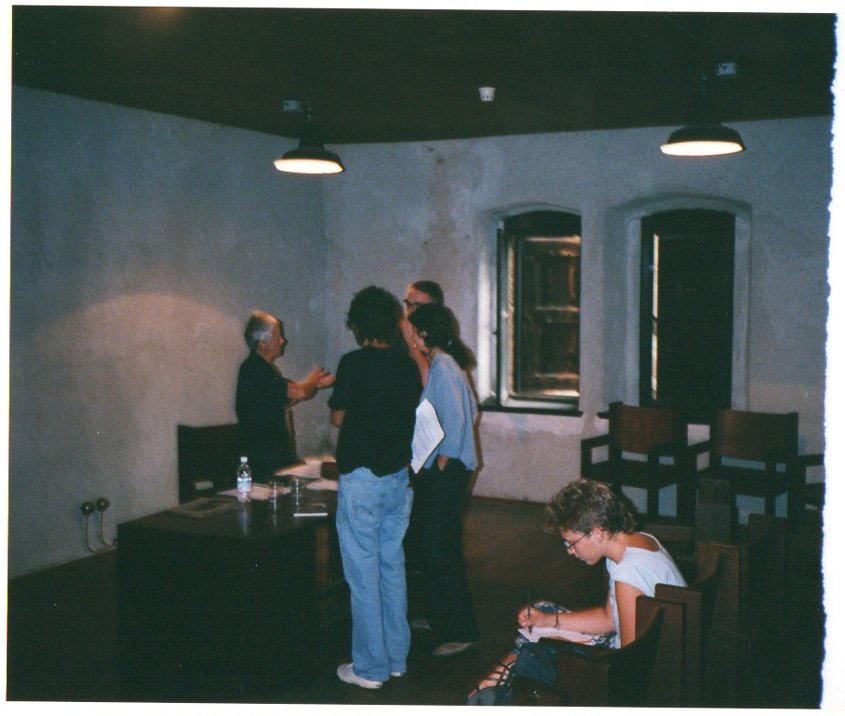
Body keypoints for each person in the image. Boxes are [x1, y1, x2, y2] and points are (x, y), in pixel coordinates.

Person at [468, 479, 687, 705]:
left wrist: (568, 646)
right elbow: (609, 619)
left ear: (597, 533)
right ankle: (505, 674)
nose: (570, 551)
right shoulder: (637, 542)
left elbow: (629, 663)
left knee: (535, 651)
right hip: (654, 650)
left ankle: (500, 686)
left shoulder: (628, 574)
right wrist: (548, 620)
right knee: (542, 612)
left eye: (571, 543)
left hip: (634, 673)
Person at [329, 286, 422, 690]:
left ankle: (370, 668)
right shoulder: (406, 365)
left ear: (358, 324)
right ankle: (397, 658)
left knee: (362, 576)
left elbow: (337, 418)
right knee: (391, 568)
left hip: (363, 481)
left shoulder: (353, 363)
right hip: (397, 480)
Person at [407, 302, 481, 657]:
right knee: (433, 546)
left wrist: (443, 459)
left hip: (448, 471)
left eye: (413, 332)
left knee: (441, 549)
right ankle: (440, 617)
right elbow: (472, 410)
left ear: (424, 334)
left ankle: (462, 630)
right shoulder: (446, 364)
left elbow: (457, 418)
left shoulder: (444, 366)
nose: (411, 339)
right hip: (446, 469)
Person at [235, 309, 333, 482]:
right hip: (264, 458)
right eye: (277, 337)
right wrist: (312, 380)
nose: (282, 341)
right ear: (262, 344)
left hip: (273, 455)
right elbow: (300, 392)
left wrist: (314, 384)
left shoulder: (261, 369)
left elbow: (287, 397)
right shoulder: (256, 370)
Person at [400, 279, 444, 385]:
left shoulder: (442, 346)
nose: (410, 313)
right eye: (408, 305)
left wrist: (413, 347)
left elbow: (432, 390)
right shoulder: (395, 344)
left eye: (417, 307)